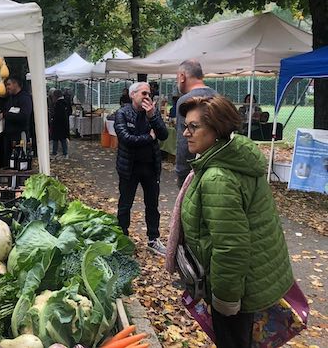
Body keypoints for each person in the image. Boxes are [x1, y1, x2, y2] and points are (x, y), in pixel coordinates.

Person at [177, 95, 293, 348]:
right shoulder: (234, 156)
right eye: (185, 126)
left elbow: (230, 247)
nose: (186, 133)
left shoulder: (218, 177)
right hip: (251, 277)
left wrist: (226, 300)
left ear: (217, 129)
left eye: (194, 127)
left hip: (237, 287)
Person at [114, 82, 168, 255]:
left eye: (149, 94)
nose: (147, 97)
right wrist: (148, 137)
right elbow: (126, 139)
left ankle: (153, 239)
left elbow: (164, 135)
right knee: (125, 205)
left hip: (151, 167)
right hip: (129, 167)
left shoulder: (152, 113)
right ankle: (122, 239)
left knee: (152, 205)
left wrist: (152, 116)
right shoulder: (122, 113)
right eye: (144, 93)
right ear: (133, 95)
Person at [175, 59, 217, 187]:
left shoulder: (185, 101)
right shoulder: (219, 97)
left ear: (182, 77)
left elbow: (184, 141)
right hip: (219, 169)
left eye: (177, 78)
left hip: (195, 173)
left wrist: (181, 173)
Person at [0, 75, 33, 168]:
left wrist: (6, 115)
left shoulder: (25, 98)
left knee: (20, 162)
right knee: (9, 162)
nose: (7, 87)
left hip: (20, 136)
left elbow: (25, 115)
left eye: (9, 84)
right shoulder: (10, 98)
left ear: (16, 84)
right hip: (9, 135)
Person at [50, 89, 70, 159]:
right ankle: (65, 152)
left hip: (58, 124)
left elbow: (57, 115)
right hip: (64, 124)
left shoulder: (58, 104)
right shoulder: (65, 102)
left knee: (56, 139)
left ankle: (55, 152)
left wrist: (53, 118)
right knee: (63, 139)